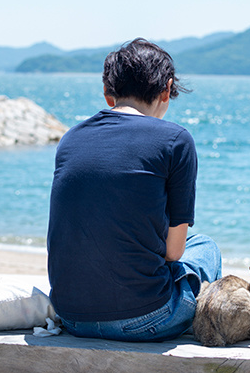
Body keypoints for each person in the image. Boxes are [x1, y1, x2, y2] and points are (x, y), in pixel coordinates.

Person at [47, 38, 221, 342]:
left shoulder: (72, 138)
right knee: (205, 247)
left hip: (71, 315)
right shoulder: (175, 140)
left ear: (107, 92)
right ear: (167, 90)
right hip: (146, 317)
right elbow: (173, 251)